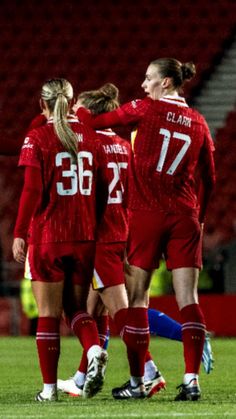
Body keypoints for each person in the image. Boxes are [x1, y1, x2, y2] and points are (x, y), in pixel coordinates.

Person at [76, 58, 216, 401]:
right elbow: (209, 179)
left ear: (166, 83)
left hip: (146, 215)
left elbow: (98, 121)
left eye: (149, 78)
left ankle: (138, 383)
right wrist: (201, 216)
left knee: (136, 298)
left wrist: (76, 111)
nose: (143, 84)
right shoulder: (199, 122)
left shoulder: (145, 108)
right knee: (189, 298)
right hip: (185, 214)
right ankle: (191, 381)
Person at [12, 78, 108, 402]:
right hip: (84, 236)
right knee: (77, 309)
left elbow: (31, 191)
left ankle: (49, 390)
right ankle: (94, 348)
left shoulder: (37, 137)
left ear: (42, 104)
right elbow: (104, 189)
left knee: (49, 314)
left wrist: (19, 232)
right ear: (72, 101)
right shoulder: (92, 137)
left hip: (48, 236)